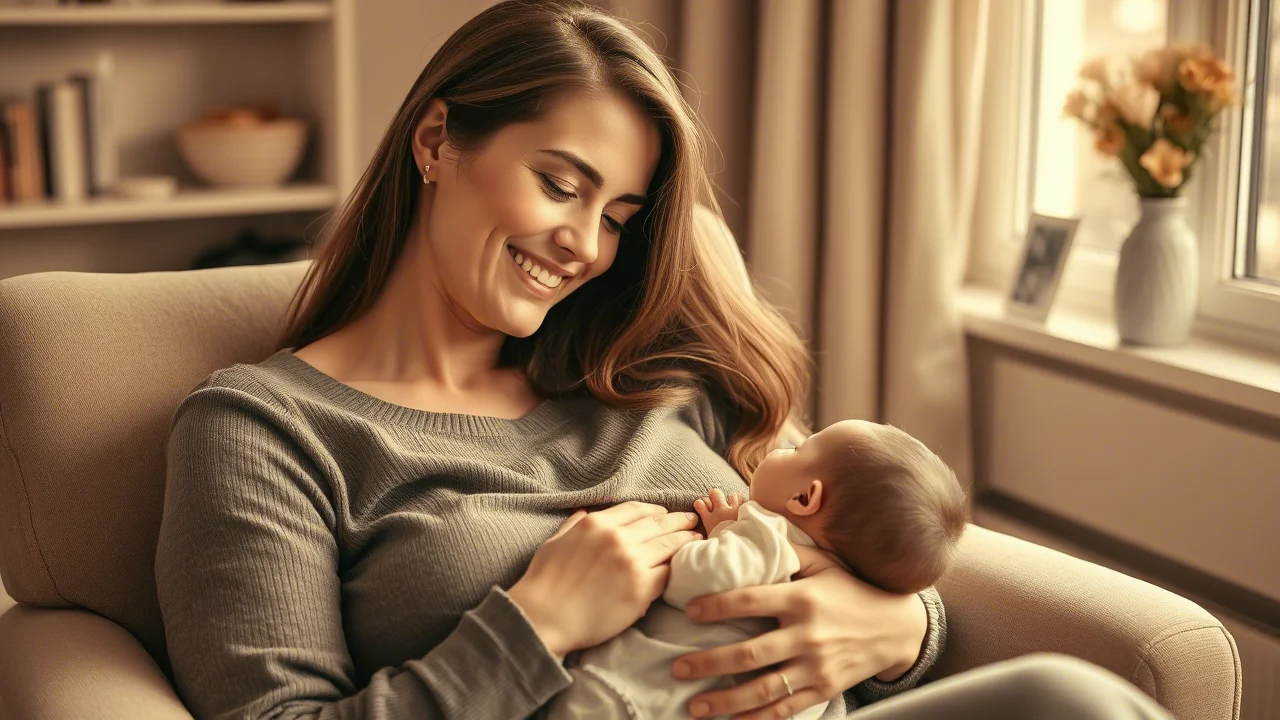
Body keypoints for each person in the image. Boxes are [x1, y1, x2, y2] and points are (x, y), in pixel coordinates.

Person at [154, 2, 1177, 719]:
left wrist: (896, 631)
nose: (584, 244)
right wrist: (535, 624)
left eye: (618, 215)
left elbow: (852, 523)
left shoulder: (647, 364)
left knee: (1077, 700)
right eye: (559, 184)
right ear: (436, 140)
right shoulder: (266, 430)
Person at [544, 420, 969, 720]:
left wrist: (725, 532)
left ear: (805, 498)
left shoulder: (766, 534)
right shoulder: (848, 565)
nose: (783, 445)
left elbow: (697, 582)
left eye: (799, 449)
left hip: (643, 695)